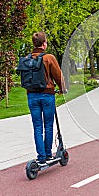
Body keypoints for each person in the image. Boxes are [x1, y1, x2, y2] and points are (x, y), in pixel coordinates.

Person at [27, 31, 66, 166]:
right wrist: (62, 89)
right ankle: (48, 154)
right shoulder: (49, 58)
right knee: (48, 125)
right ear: (44, 44)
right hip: (47, 95)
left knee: (37, 126)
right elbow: (58, 76)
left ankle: (41, 156)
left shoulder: (28, 58)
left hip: (31, 95)